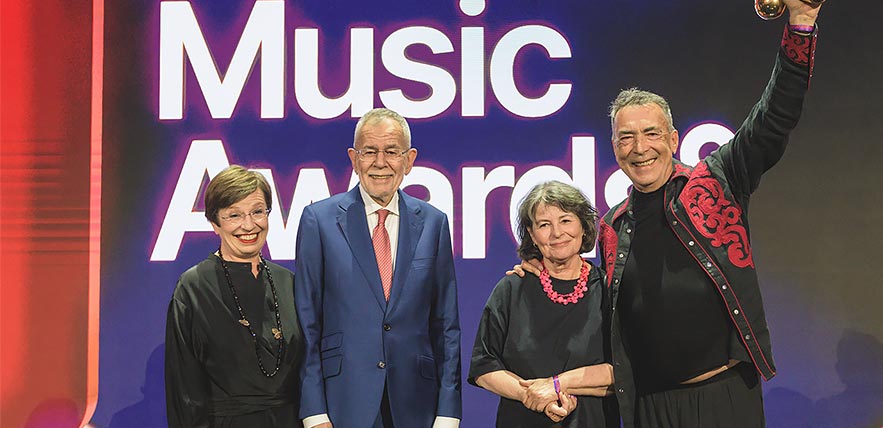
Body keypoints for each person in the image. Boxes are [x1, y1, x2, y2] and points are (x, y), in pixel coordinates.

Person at [518, 0, 824, 427]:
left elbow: (775, 115)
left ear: (674, 138)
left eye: (651, 134)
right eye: (626, 138)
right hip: (647, 406)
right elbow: (570, 265)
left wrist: (800, 23)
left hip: (724, 395)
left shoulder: (718, 179)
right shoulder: (611, 225)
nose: (640, 148)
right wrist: (534, 262)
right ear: (615, 148)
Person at [295, 108, 462, 428]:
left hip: (417, 404)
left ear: (409, 160)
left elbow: (446, 325)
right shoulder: (320, 221)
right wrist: (314, 410)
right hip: (343, 402)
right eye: (369, 151)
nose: (380, 162)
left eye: (392, 152)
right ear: (354, 159)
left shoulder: (433, 223)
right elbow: (307, 322)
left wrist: (448, 411)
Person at [165, 165, 304, 427]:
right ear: (214, 223)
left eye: (257, 212)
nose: (249, 225)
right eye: (234, 215)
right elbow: (184, 389)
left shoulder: (288, 282)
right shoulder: (193, 287)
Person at [470, 181, 617, 427]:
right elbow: (484, 367)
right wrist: (533, 396)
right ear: (532, 234)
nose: (557, 233)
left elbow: (624, 371)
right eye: (544, 225)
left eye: (566, 220)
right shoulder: (512, 288)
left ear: (583, 226)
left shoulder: (608, 289)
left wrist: (557, 385)